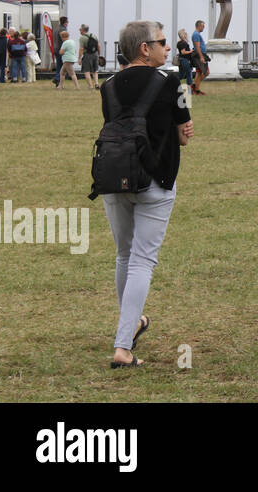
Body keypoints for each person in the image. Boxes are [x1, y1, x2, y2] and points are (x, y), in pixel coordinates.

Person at [100, 19, 193, 368]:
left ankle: (133, 322)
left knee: (124, 256)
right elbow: (184, 134)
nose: (167, 48)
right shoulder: (173, 81)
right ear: (144, 48)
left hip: (113, 177)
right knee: (142, 261)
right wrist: (181, 130)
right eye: (162, 42)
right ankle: (123, 347)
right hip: (155, 178)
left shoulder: (107, 85)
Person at [79, 24, 101, 90]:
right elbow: (98, 46)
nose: (79, 30)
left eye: (80, 29)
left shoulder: (82, 38)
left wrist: (79, 58)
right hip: (95, 54)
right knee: (95, 71)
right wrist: (98, 54)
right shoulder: (93, 35)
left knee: (87, 71)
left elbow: (81, 49)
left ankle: (90, 86)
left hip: (87, 55)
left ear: (83, 30)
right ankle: (96, 84)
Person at [190, 21, 209, 96]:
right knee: (206, 72)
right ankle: (195, 87)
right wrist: (201, 57)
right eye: (203, 26)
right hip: (199, 56)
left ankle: (196, 89)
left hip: (201, 55)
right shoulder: (196, 34)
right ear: (198, 26)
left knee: (199, 72)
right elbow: (197, 47)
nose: (203, 28)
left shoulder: (197, 34)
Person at [50, 16, 68, 87]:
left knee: (59, 66)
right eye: (67, 22)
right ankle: (57, 78)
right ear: (65, 22)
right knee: (64, 67)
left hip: (56, 49)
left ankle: (58, 82)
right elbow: (64, 40)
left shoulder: (56, 28)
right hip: (61, 49)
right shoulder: (63, 29)